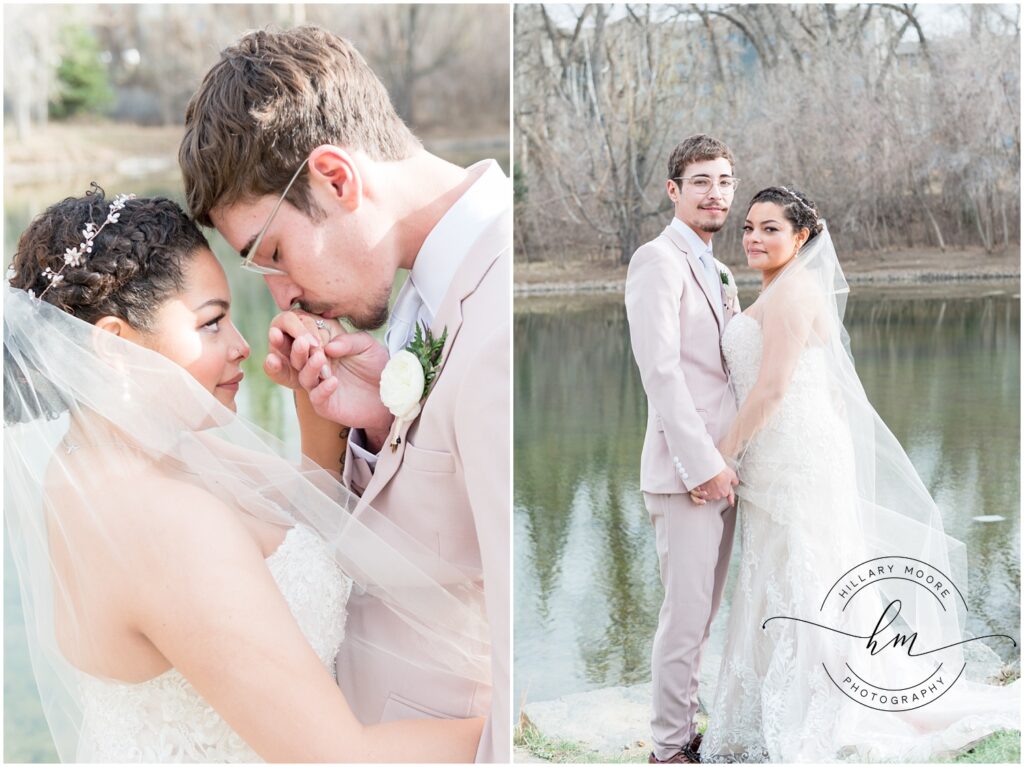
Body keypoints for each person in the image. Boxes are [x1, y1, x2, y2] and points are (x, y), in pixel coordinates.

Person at [4, 188, 487, 762]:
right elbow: (338, 757)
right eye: (211, 324)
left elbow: (309, 515)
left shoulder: (111, 459)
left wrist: (318, 407)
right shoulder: (160, 524)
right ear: (114, 346)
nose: (240, 347)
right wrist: (507, 727)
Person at [177, 27, 510, 761]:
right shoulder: (425, 289)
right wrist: (378, 424)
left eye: (275, 255)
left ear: (335, 177)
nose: (285, 296)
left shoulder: (498, 321)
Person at [699, 187, 1020, 762]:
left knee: (809, 576)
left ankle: (824, 707)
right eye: (748, 227)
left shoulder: (794, 292)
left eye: (770, 229)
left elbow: (772, 389)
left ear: (801, 237)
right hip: (783, 452)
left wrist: (721, 453)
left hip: (795, 454)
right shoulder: (776, 288)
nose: (752, 238)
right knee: (780, 571)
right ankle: (770, 707)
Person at [623, 134, 742, 765]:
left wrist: (732, 461)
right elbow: (662, 374)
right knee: (684, 615)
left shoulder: (716, 267)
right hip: (685, 474)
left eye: (723, 181)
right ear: (674, 190)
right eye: (700, 181)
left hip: (725, 469)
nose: (714, 193)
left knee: (704, 613)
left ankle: (686, 729)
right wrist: (704, 466)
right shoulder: (657, 261)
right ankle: (668, 750)